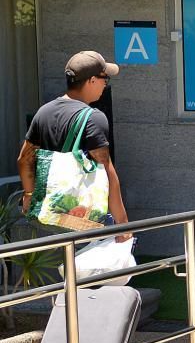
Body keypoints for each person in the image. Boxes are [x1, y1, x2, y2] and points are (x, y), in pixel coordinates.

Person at [17, 51, 131, 242]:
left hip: (48, 215)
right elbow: (108, 174)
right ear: (92, 80)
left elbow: (24, 160)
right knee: (102, 268)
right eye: (105, 79)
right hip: (82, 220)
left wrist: (29, 195)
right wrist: (123, 226)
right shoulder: (94, 118)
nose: (105, 84)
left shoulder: (43, 112)